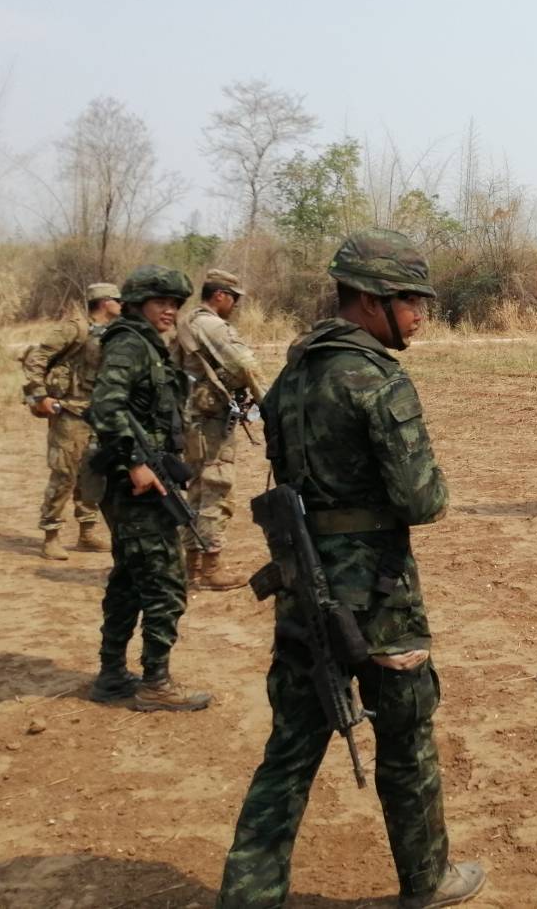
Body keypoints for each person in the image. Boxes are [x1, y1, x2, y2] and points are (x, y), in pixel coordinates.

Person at [217, 230, 484, 909]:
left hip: (305, 588)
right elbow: (422, 501)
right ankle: (426, 880)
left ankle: (248, 895)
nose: (420, 315)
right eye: (410, 301)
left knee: (289, 751)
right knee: (406, 740)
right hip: (381, 597)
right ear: (369, 300)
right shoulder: (376, 379)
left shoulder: (291, 376)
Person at [86, 265, 212, 712]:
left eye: (175, 304)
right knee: (165, 583)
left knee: (128, 579)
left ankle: (112, 675)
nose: (170, 311)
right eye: (161, 302)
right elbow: (106, 406)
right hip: (135, 486)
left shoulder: (146, 345)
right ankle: (155, 682)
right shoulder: (129, 344)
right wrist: (136, 461)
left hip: (142, 482)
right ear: (138, 305)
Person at [172, 268, 268, 590]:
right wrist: (269, 404)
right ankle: (210, 569)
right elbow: (245, 364)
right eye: (234, 299)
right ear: (220, 296)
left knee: (197, 490)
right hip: (209, 424)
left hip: (192, 420)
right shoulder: (211, 325)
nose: (236, 305)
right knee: (217, 489)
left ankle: (192, 568)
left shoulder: (187, 322)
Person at [20, 282, 122, 560]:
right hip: (68, 411)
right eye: (118, 300)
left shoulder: (113, 331)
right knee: (64, 473)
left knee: (93, 474)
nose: (122, 305)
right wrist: (39, 396)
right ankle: (51, 535)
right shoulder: (75, 328)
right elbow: (37, 358)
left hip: (97, 413)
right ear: (104, 302)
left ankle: (87, 532)